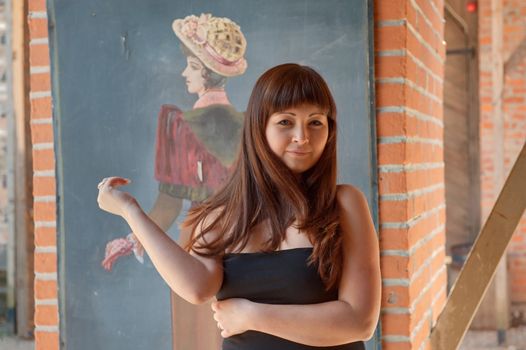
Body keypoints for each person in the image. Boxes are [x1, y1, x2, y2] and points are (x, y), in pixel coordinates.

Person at [97, 63, 381, 349]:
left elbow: (360, 322)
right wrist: (130, 210)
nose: (302, 137)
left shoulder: (344, 204)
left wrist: (253, 315)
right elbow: (196, 288)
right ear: (259, 127)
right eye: (286, 122)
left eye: (315, 122)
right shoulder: (222, 212)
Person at [101, 13, 247, 270]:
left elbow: (169, 204)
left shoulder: (180, 126)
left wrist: (132, 238)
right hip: (250, 247)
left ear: (204, 71)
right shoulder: (250, 124)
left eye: (190, 66)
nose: (184, 73)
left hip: (200, 252)